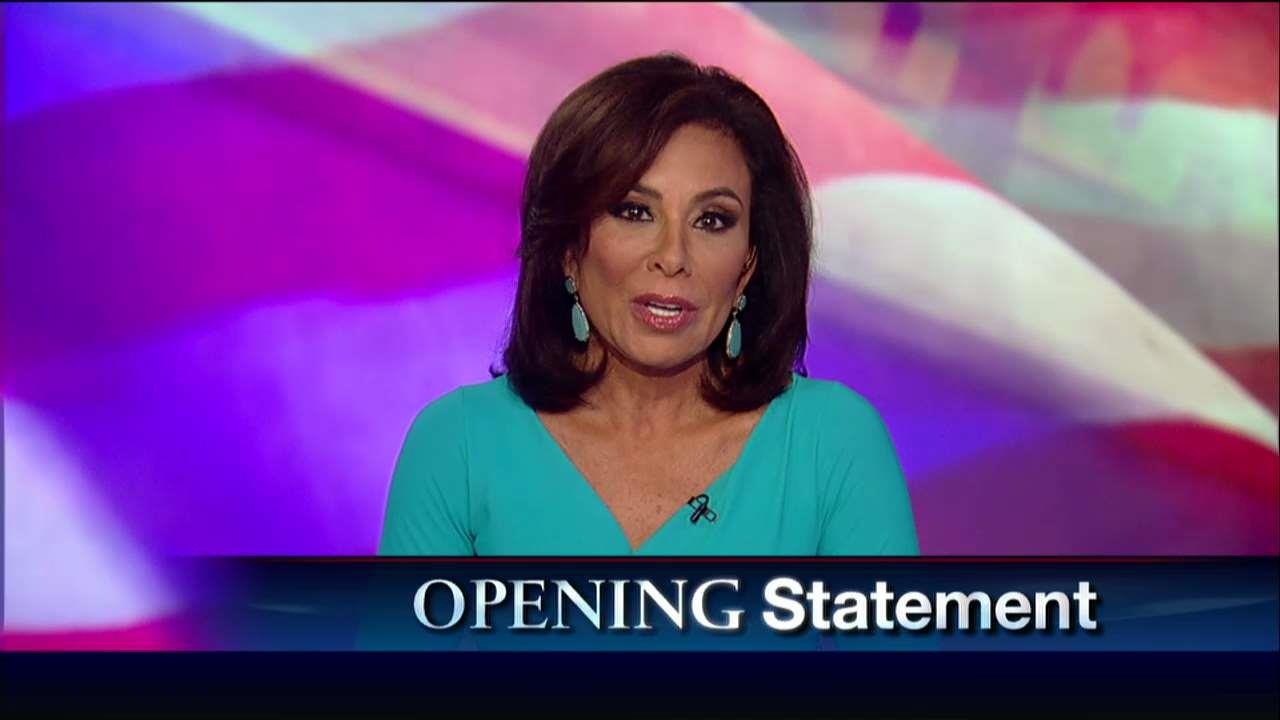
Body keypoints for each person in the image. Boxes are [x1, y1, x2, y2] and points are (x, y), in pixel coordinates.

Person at [379, 53, 918, 556]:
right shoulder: (460, 445)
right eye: (634, 212)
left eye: (712, 220)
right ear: (568, 247)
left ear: (749, 263)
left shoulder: (831, 444)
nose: (673, 257)